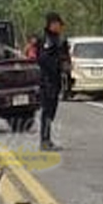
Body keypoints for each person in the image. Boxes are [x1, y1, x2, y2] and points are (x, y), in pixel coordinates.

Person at [37, 12, 65, 150]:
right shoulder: (47, 40)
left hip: (55, 80)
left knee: (51, 111)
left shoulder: (56, 39)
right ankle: (44, 140)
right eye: (58, 24)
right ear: (52, 24)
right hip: (47, 81)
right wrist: (57, 63)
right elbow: (43, 59)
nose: (60, 27)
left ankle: (47, 139)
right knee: (47, 111)